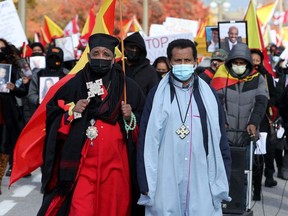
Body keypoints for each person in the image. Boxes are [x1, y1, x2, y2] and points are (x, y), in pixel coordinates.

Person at [37, 33, 145, 216]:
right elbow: (53, 113)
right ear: (88, 56)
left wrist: (130, 117)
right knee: (80, 208)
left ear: (113, 58)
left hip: (116, 165)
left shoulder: (128, 87)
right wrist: (73, 111)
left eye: (106, 54)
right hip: (82, 163)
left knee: (113, 210)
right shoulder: (74, 83)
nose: (100, 58)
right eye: (96, 53)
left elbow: (144, 123)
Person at [137, 39, 231, 215]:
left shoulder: (208, 94)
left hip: (201, 175)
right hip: (166, 175)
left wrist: (223, 175)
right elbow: (146, 139)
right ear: (170, 62)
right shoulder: (156, 95)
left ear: (196, 61)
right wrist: (144, 182)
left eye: (187, 61)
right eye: (178, 61)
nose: (183, 65)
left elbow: (220, 140)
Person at [211, 43, 268, 208]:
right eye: (235, 62)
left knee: (244, 173)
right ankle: (221, 206)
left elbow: (261, 102)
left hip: (246, 135)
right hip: (225, 134)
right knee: (222, 172)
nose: (239, 66)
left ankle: (241, 205)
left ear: (248, 64)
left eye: (242, 63)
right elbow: (216, 101)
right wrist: (221, 119)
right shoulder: (221, 78)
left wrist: (253, 122)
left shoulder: (258, 79)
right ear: (229, 63)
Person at [250, 49, 278, 201]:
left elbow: (275, 97)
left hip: (262, 122)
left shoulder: (266, 76)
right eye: (252, 60)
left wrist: (265, 103)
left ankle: (257, 189)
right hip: (244, 121)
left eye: (257, 61)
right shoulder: (241, 76)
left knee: (259, 157)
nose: (254, 63)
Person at [0, 38, 27, 191]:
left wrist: (14, 87)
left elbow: (22, 91)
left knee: (4, 146)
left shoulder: (14, 69)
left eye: (2, 48)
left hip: (6, 111)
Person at [28, 47, 68, 114]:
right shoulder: (38, 74)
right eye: (51, 58)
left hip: (61, 111)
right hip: (42, 111)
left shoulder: (66, 74)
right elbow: (31, 94)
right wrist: (38, 100)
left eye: (57, 59)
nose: (53, 61)